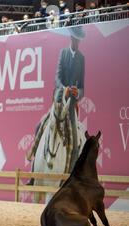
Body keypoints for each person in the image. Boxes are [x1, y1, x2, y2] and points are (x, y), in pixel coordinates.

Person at [28, 26, 85, 175]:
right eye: (75, 39)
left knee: (74, 140)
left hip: (71, 106)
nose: (77, 42)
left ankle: (69, 175)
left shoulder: (81, 58)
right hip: (59, 101)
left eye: (79, 40)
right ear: (71, 38)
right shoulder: (63, 53)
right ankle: (34, 170)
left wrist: (77, 92)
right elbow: (57, 78)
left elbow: (82, 87)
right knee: (39, 126)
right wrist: (64, 88)